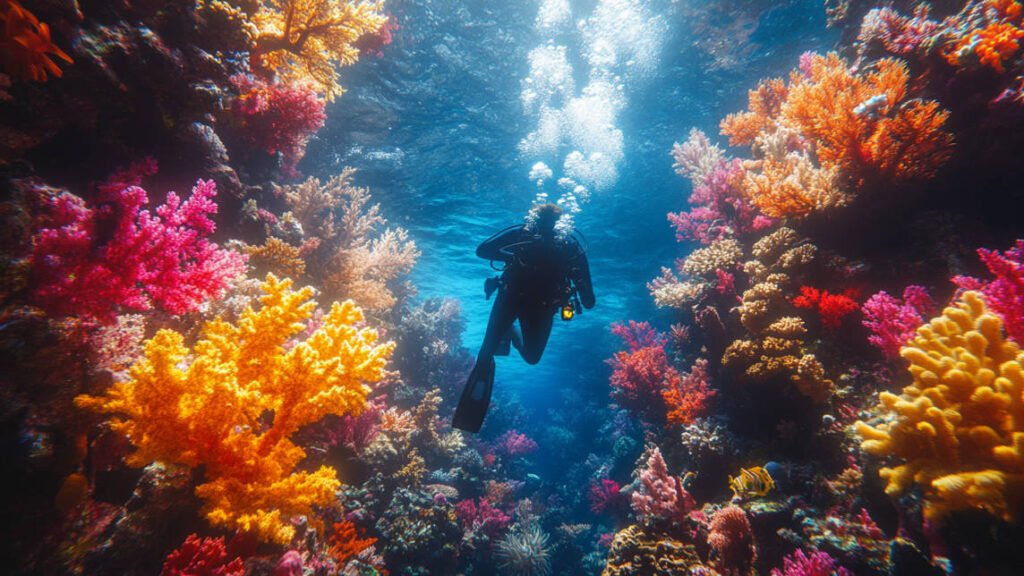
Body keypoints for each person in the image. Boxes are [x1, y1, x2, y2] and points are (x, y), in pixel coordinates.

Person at [452, 204, 595, 432]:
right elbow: (589, 301)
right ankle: (467, 423)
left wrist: (512, 255)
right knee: (489, 355)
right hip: (518, 301)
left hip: (527, 304)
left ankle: (508, 330)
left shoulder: (549, 242)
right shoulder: (565, 245)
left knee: (525, 356)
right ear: (559, 225)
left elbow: (483, 250)